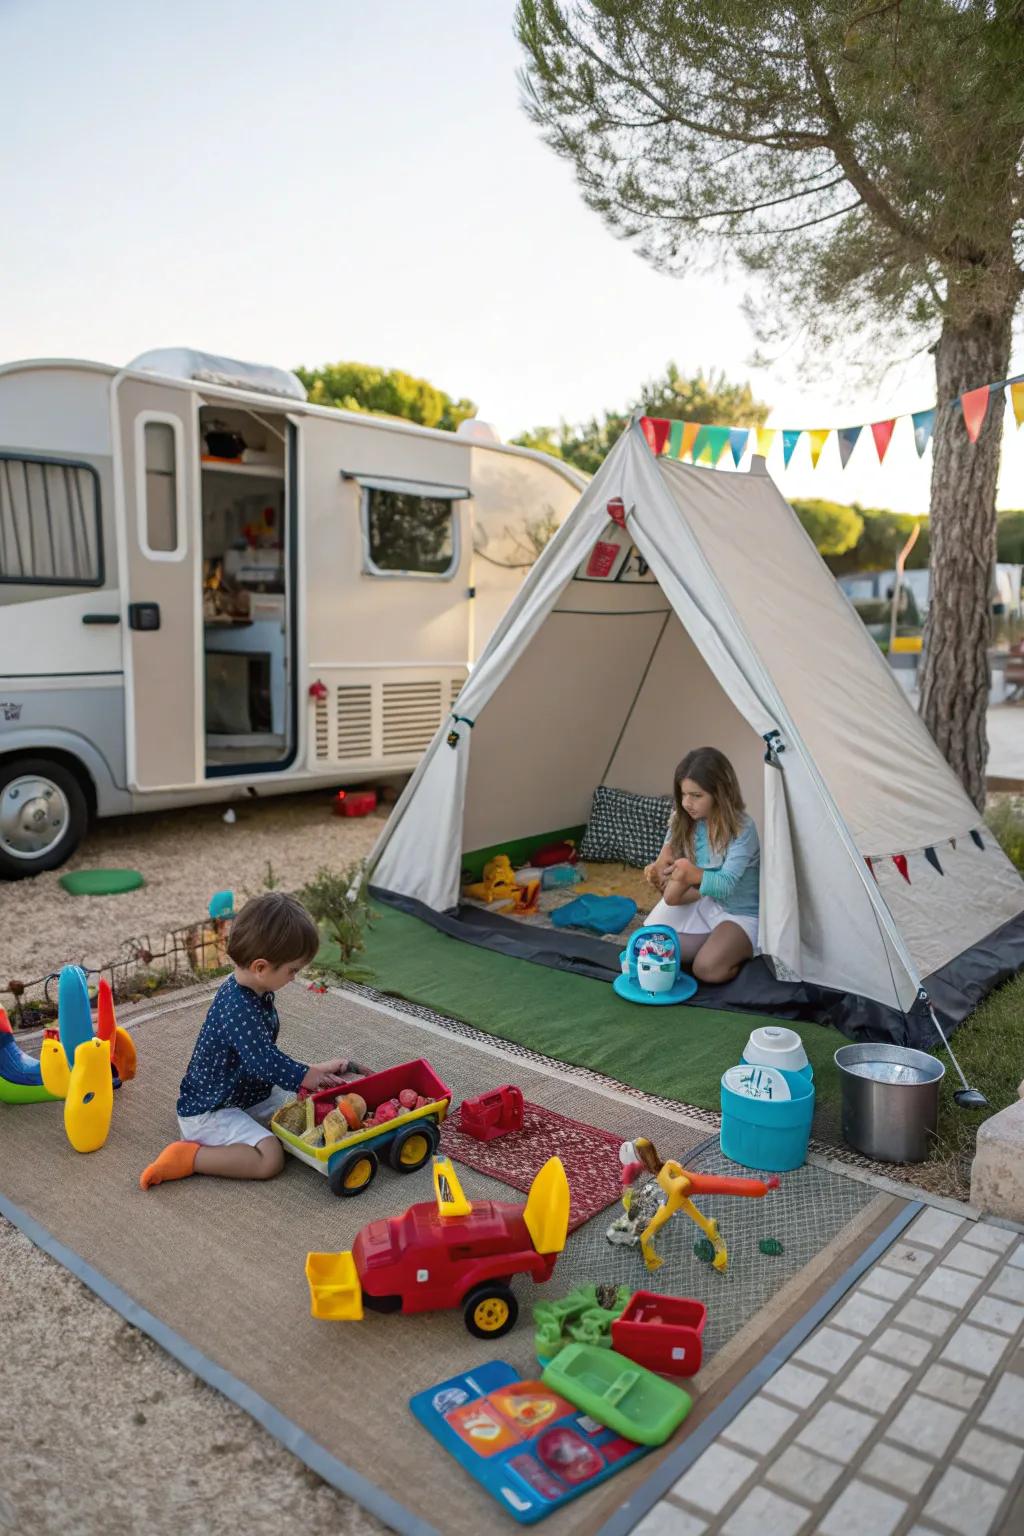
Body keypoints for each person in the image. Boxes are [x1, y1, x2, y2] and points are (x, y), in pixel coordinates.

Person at [140, 891, 354, 1190]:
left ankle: (241, 1130)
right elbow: (263, 1060)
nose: (294, 978)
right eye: (293, 970)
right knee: (271, 1159)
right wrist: (306, 1073)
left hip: (243, 1094)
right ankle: (191, 1156)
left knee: (301, 1115)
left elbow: (260, 1057)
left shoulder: (253, 988)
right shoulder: (239, 1007)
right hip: (211, 1109)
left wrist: (308, 1073)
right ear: (261, 967)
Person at [643, 747, 759, 986]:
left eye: (697, 796)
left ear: (720, 793)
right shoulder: (684, 818)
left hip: (739, 912)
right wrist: (660, 862)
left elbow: (726, 885)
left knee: (707, 970)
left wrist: (692, 873)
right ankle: (712, 942)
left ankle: (738, 948)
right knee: (649, 945)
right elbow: (668, 852)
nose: (687, 803)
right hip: (704, 900)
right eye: (684, 794)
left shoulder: (742, 828)